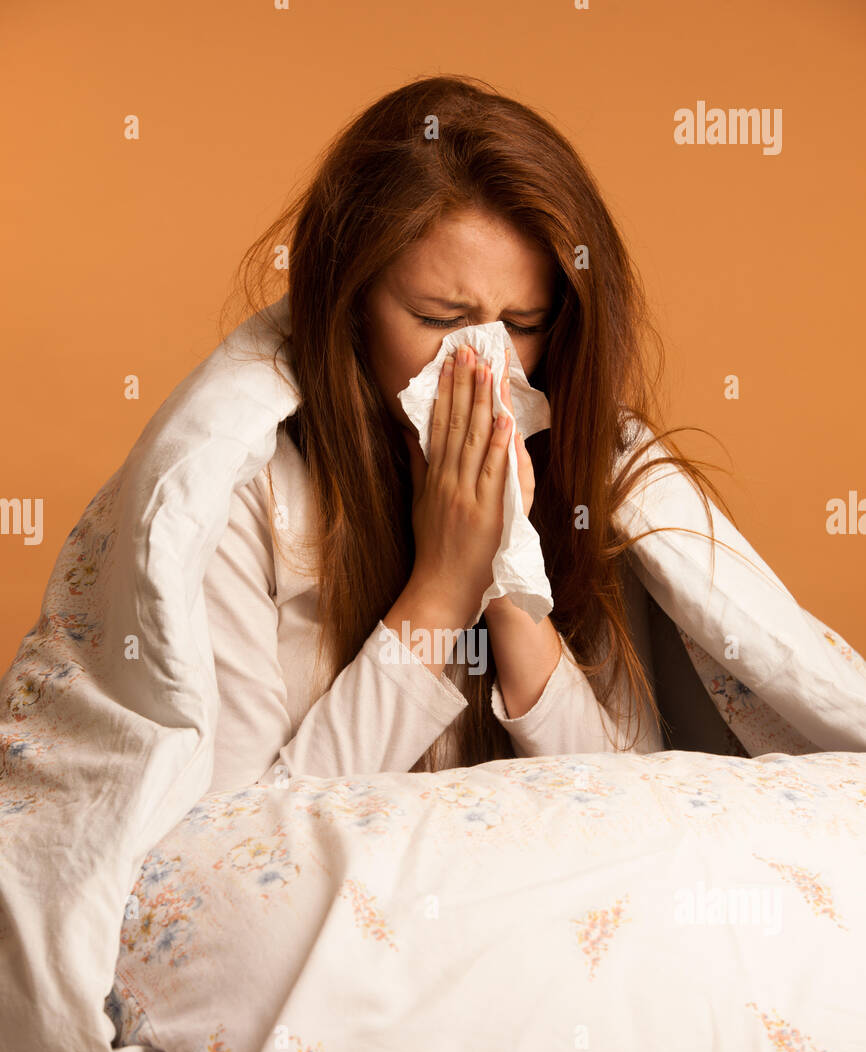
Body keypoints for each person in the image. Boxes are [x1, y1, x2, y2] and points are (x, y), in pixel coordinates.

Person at [202, 74, 735, 793]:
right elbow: (235, 846)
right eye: (439, 319)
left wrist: (507, 579)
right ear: (350, 306)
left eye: (520, 326)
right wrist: (443, 587)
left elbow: (630, 806)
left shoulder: (592, 479)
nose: (483, 364)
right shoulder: (240, 490)